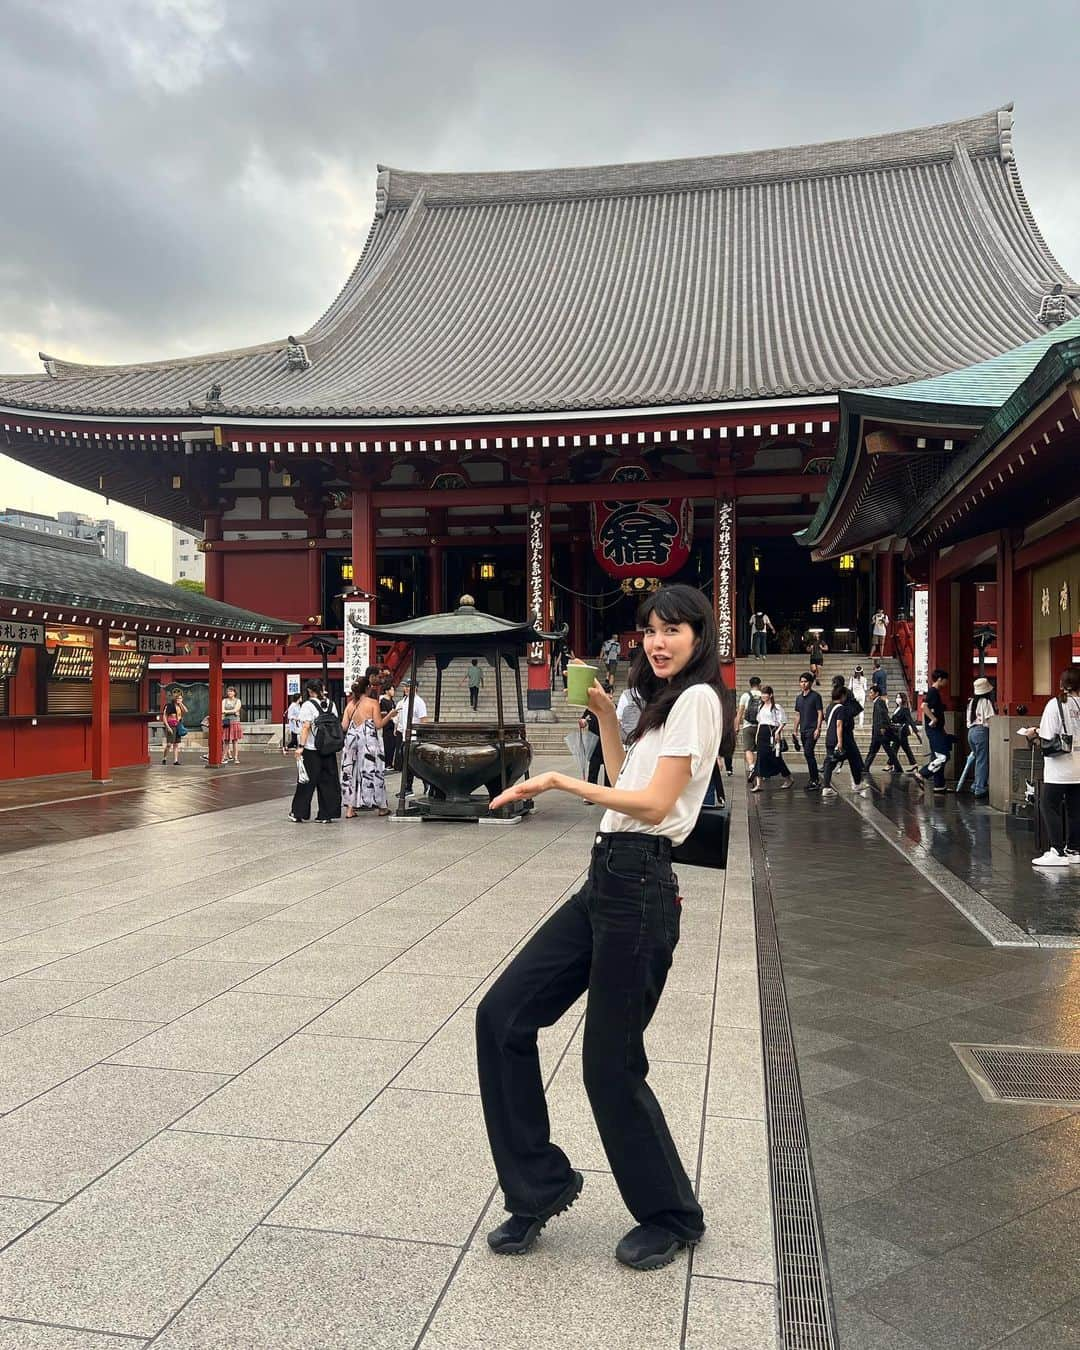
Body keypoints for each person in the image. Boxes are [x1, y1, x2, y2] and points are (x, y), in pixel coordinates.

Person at [475, 583, 728, 1272]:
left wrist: (560, 782)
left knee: (608, 1065)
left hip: (642, 886)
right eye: (649, 629)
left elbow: (651, 804)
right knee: (501, 1016)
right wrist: (605, 722)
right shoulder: (659, 707)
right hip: (605, 879)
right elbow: (627, 778)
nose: (658, 640)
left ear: (700, 636)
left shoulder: (701, 700)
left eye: (674, 629)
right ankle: (540, 1185)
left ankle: (673, 1214)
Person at [1024, 668, 1080, 867]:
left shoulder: (1056, 704)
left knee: (1049, 805)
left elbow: (1047, 735)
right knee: (1076, 809)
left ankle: (1057, 850)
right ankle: (1074, 849)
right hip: (1079, 766)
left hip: (1059, 768)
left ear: (1062, 684)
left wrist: (1033, 732)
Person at [289, 680, 342, 823]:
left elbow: (306, 727)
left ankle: (298, 812)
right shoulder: (332, 704)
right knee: (329, 782)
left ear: (309, 691)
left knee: (306, 781)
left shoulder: (307, 705)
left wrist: (300, 746)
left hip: (312, 748)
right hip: (329, 748)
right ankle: (326, 814)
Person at [341, 675, 393, 818]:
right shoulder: (372, 703)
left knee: (351, 772)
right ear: (367, 688)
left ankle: (350, 809)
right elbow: (378, 724)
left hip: (351, 739)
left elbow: (344, 726)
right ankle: (381, 806)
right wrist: (390, 715)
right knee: (374, 770)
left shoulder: (350, 705)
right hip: (368, 740)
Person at [821, 682, 867, 796]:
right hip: (841, 740)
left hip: (830, 738)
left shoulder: (829, 707)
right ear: (842, 696)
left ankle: (827, 787)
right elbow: (839, 725)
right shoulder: (841, 708)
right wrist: (840, 742)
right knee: (853, 759)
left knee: (830, 763)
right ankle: (856, 784)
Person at [956, 678, 995, 798]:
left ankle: (976, 784)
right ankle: (979, 788)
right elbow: (990, 719)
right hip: (981, 731)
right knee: (982, 760)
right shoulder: (985, 702)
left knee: (978, 759)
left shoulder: (971, 702)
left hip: (971, 732)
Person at [749, 686, 792, 792]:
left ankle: (788, 778)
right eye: (762, 694)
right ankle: (758, 784)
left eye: (765, 694)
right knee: (760, 757)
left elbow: (783, 722)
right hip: (762, 734)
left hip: (772, 733)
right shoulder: (761, 707)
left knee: (776, 758)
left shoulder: (776, 707)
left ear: (770, 695)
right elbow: (760, 722)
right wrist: (757, 735)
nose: (763, 696)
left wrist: (778, 732)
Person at [917, 670, 952, 794]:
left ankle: (939, 785)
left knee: (936, 756)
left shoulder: (934, 692)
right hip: (934, 730)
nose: (947, 682)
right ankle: (922, 773)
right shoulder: (933, 691)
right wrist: (933, 718)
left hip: (937, 730)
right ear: (940, 679)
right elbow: (924, 707)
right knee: (943, 756)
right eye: (945, 679)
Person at [395, 679, 430, 795]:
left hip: (414, 738)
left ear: (415, 688)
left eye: (408, 686)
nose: (406, 689)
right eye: (405, 686)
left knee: (412, 764)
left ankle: (423, 782)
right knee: (407, 764)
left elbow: (423, 720)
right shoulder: (405, 700)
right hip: (406, 736)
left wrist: (421, 736)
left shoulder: (418, 702)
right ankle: (409, 787)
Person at [794, 672, 824, 790]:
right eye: (801, 681)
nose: (803, 684)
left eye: (805, 681)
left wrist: (818, 728)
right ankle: (813, 778)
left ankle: (815, 779)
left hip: (812, 729)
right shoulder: (799, 698)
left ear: (810, 683)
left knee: (808, 752)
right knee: (808, 754)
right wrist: (795, 730)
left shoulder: (816, 696)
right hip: (803, 729)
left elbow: (820, 713)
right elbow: (797, 714)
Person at [865, 687, 903, 773]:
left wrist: (883, 727)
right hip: (877, 732)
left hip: (880, 732)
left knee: (887, 751)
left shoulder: (880, 702)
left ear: (877, 693)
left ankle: (898, 768)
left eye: (871, 693)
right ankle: (865, 767)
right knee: (873, 750)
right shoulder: (878, 702)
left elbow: (883, 715)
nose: (870, 695)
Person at [736, 675, 764, 778]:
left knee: (748, 749)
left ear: (750, 685)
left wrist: (737, 726)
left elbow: (740, 712)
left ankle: (752, 767)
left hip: (747, 726)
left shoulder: (745, 696)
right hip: (761, 726)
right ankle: (760, 769)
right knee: (760, 749)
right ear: (759, 685)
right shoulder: (763, 695)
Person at [891, 691, 922, 771]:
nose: (897, 699)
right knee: (898, 748)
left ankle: (890, 764)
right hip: (897, 732)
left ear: (903, 699)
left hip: (902, 732)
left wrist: (917, 732)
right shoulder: (897, 708)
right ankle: (914, 764)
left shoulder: (905, 709)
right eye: (897, 697)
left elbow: (910, 721)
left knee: (898, 748)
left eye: (899, 697)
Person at [160, 689, 186, 766]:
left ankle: (175, 760)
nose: (179, 699)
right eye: (178, 698)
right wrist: (168, 727)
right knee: (169, 744)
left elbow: (185, 711)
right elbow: (164, 716)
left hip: (178, 725)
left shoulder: (180, 706)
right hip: (171, 725)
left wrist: (181, 704)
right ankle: (164, 758)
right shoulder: (168, 706)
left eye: (181, 698)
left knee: (176, 744)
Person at [221, 686, 242, 764]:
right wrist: (232, 711)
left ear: (235, 693)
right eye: (228, 691)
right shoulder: (224, 700)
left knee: (235, 741)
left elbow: (236, 709)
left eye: (231, 691)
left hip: (235, 722)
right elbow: (221, 710)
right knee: (226, 740)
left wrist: (226, 711)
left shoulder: (238, 700)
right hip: (226, 722)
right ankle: (223, 757)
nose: (230, 692)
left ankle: (236, 757)